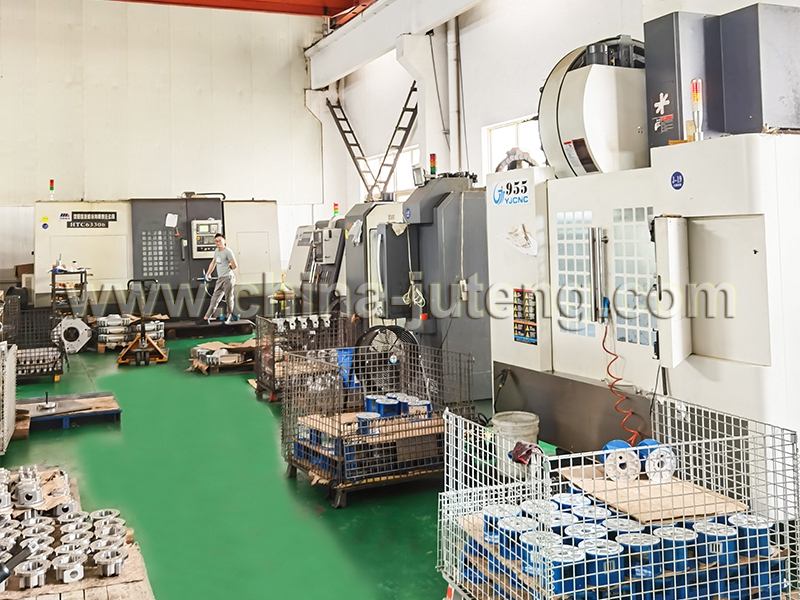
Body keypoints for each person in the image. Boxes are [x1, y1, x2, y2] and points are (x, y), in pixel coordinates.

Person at [202, 233, 237, 324]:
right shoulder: (217, 251)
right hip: (220, 279)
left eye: (219, 241)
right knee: (214, 299)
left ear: (224, 241)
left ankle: (228, 317)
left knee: (228, 298)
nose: (218, 243)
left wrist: (228, 268)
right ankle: (206, 318)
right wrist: (207, 274)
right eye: (216, 241)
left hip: (228, 278)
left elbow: (234, 265)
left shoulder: (228, 251)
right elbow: (213, 263)